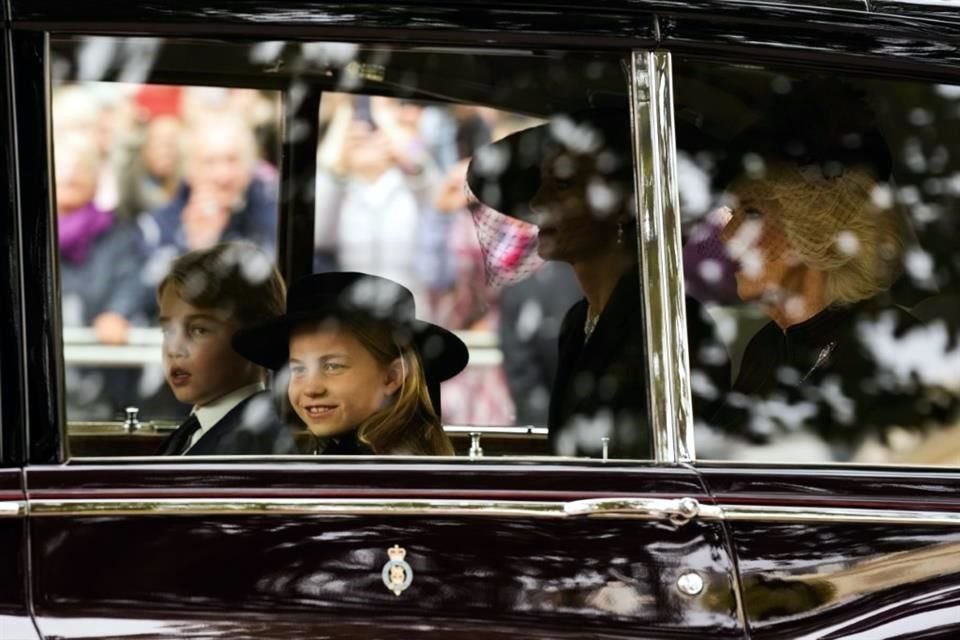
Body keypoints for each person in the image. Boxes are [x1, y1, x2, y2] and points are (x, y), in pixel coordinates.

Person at [467, 108, 730, 459]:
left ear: (621, 204)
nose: (536, 202)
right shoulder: (579, 321)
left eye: (561, 184)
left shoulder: (665, 328)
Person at [707, 89, 947, 458]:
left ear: (816, 226)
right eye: (731, 212)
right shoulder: (766, 346)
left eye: (752, 213)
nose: (726, 234)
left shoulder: (886, 347)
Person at [232, 272, 469, 456]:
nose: (311, 388)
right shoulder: (402, 452)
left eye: (332, 367)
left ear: (392, 377)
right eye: (298, 369)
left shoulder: (363, 475)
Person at [155, 242, 296, 456]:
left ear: (256, 337)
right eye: (168, 332)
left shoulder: (253, 442)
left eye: (199, 330)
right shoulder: (194, 430)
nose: (174, 349)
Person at [139, 114, 278, 311]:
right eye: (209, 162)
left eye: (233, 160)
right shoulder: (159, 224)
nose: (223, 175)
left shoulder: (274, 213)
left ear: (249, 165)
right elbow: (149, 300)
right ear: (189, 169)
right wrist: (196, 249)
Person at [55, 130, 147, 420]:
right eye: (63, 167)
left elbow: (132, 278)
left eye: (81, 167)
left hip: (101, 383)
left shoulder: (116, 231)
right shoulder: (24, 235)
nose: (71, 176)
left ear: (96, 179)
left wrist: (117, 313)